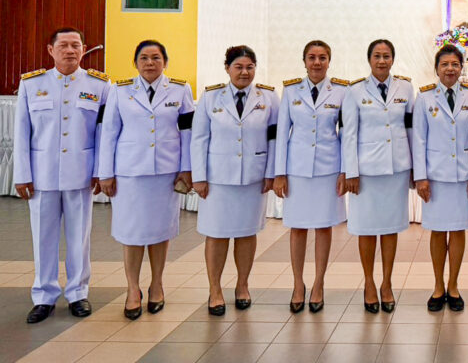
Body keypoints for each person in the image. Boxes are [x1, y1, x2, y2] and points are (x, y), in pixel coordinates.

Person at [14, 27, 110, 324]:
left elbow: (104, 133)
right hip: (42, 174)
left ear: (84, 49)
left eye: (76, 45)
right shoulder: (32, 84)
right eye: (64, 45)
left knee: (79, 237)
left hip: (81, 173)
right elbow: (21, 132)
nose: (70, 50)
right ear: (50, 50)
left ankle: (78, 293)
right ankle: (44, 296)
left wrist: (100, 171)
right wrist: (22, 174)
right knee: (43, 237)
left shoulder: (99, 85)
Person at [98, 40, 195, 319]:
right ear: (135, 62)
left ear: (165, 61)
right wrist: (105, 173)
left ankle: (157, 284)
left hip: (165, 173)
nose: (150, 63)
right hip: (129, 173)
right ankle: (132, 288)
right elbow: (109, 133)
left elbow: (187, 132)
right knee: (131, 233)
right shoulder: (120, 90)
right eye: (144, 58)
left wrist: (187, 169)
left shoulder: (180, 89)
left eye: (156, 57)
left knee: (160, 231)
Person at [191, 45, 278, 316]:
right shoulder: (210, 97)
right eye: (238, 67)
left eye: (250, 67)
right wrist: (199, 177)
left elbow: (274, 139)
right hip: (217, 178)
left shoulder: (268, 97)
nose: (244, 72)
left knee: (246, 233)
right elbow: (198, 139)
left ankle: (242, 285)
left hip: (253, 177)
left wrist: (271, 173)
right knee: (216, 234)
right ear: (227, 68)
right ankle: (215, 290)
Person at [274, 40, 349, 314]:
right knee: (298, 228)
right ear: (304, 61)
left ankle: (318, 283)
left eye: (322, 57)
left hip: (328, 169)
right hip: (297, 169)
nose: (317, 62)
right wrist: (279, 173)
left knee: (323, 227)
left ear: (329, 61)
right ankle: (298, 284)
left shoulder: (341, 91)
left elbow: (346, 133)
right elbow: (282, 133)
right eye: (312, 57)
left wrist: (345, 170)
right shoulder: (291, 90)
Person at [341, 39, 415, 313]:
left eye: (386, 56)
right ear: (369, 59)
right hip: (367, 171)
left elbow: (410, 129)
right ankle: (369, 283)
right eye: (377, 56)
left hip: (396, 168)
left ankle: (387, 283)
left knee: (390, 227)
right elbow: (348, 133)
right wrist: (351, 171)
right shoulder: (354, 91)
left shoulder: (405, 88)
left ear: (393, 59)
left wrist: (415, 169)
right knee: (366, 228)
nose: (382, 61)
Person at [411, 44, 468, 311]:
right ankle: (438, 286)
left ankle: (453, 285)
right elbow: (418, 139)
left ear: (461, 68)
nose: (450, 69)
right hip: (435, 176)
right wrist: (421, 177)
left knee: (458, 228)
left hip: (463, 175)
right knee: (438, 230)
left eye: (455, 64)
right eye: (445, 64)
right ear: (436, 69)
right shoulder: (424, 97)